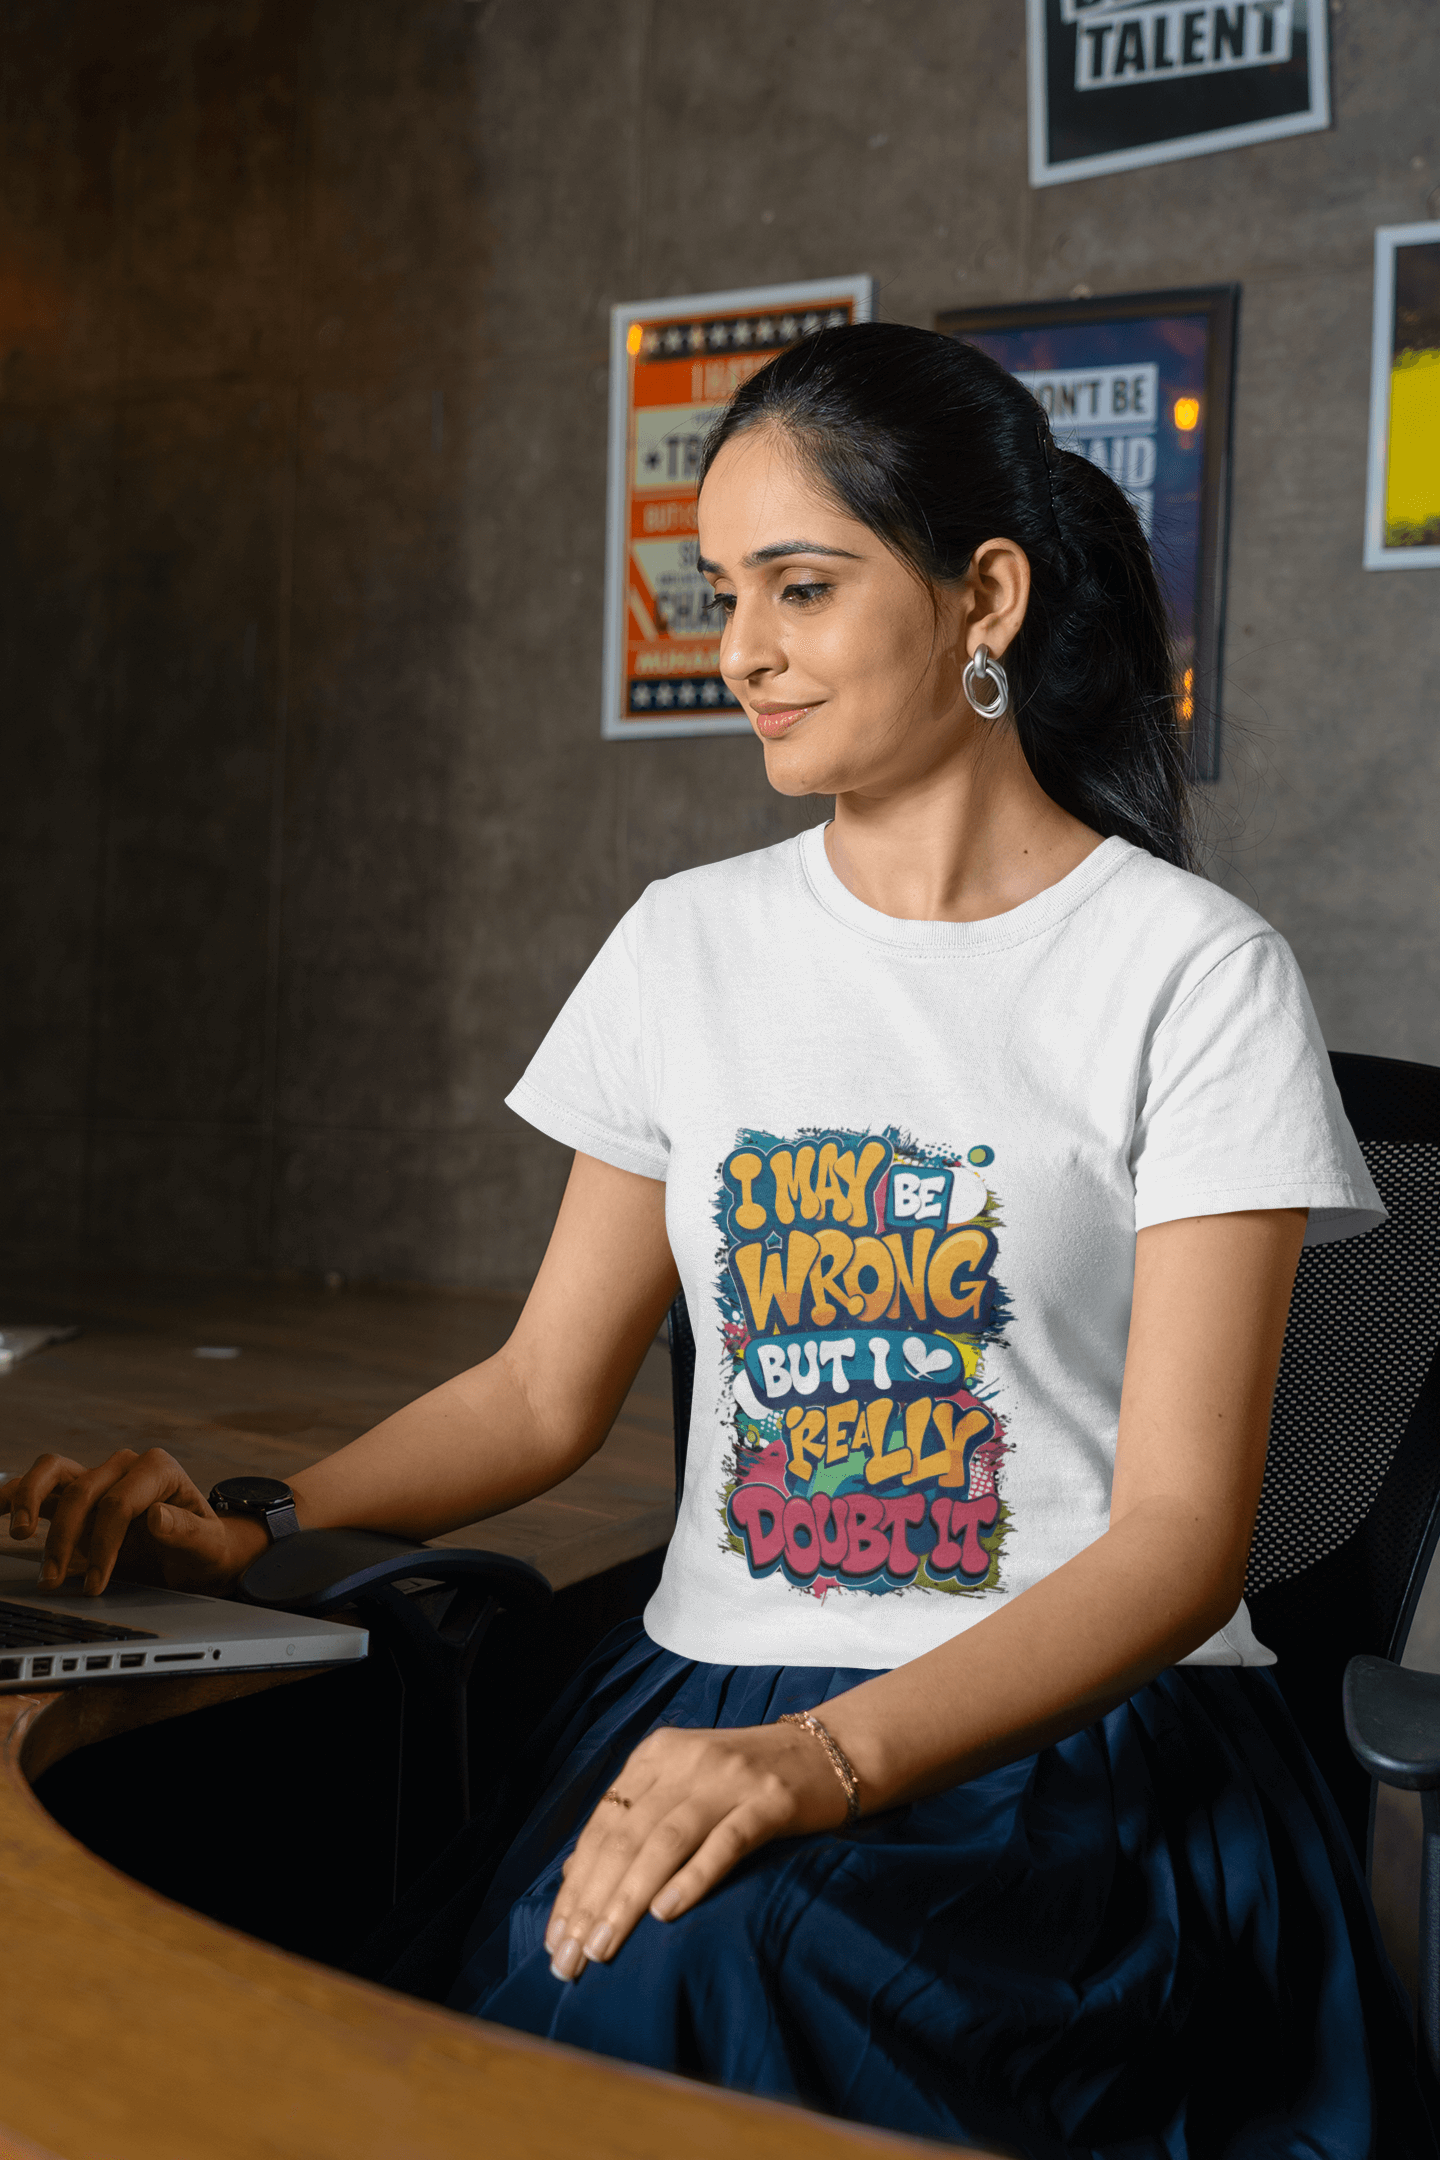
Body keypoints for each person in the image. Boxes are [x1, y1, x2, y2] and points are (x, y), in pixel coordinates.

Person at [5, 324, 1432, 2158]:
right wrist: (263, 1515)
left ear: (982, 596)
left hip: (1059, 1746)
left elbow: (1175, 1546)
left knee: (690, 1973)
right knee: (537, 1980)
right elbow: (537, 1391)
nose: (738, 650)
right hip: (702, 1691)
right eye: (720, 590)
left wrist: (824, 1758)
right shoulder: (687, 943)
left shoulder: (1191, 975)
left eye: (802, 587)